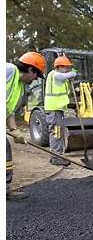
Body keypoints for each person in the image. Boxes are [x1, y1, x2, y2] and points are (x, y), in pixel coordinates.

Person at [6, 51, 46, 200]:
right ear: (30, 69)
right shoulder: (9, 70)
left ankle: (5, 188)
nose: (36, 78)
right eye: (36, 75)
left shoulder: (20, 86)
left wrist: (15, 130)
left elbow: (9, 111)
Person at [44, 55, 78, 166]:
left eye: (69, 67)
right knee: (56, 133)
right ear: (59, 67)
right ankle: (56, 157)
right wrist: (72, 73)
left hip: (58, 110)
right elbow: (66, 75)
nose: (68, 69)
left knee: (59, 132)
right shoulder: (54, 75)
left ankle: (57, 155)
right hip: (54, 110)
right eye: (66, 67)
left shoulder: (61, 78)